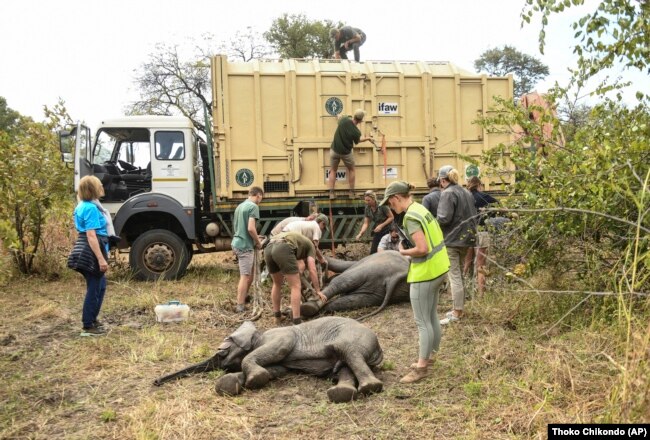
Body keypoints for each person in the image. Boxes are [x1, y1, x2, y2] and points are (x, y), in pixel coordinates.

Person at [379, 181, 450, 383]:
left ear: (396, 198)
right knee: (431, 315)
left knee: (422, 321)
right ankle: (430, 357)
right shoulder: (420, 209)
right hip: (439, 267)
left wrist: (402, 251)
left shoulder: (410, 217)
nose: (392, 208)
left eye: (391, 204)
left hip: (425, 272)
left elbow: (422, 248)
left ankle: (421, 367)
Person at [67, 176, 111, 336]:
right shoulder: (91, 208)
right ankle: (88, 325)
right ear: (93, 189)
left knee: (100, 286)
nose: (102, 188)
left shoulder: (82, 206)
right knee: (94, 289)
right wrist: (100, 259)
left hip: (86, 249)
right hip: (91, 251)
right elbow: (91, 235)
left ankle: (92, 320)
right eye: (99, 185)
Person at [436, 166, 477, 325]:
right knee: (459, 273)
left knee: (454, 275)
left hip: (452, 240)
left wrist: (434, 221)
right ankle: (458, 308)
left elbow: (444, 218)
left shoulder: (447, 193)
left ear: (442, 180)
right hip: (467, 239)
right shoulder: (466, 192)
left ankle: (457, 312)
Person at [265, 232, 328, 326]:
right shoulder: (311, 247)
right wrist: (318, 290)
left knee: (277, 284)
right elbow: (312, 269)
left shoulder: (300, 242)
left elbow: (299, 265)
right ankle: (297, 321)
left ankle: (277, 317)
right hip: (283, 247)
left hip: (269, 247)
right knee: (295, 286)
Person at [463, 176, 499, 295]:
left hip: (467, 232)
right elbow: (500, 207)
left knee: (466, 263)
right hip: (481, 231)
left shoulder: (464, 197)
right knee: (481, 265)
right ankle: (481, 294)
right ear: (479, 185)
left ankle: (462, 291)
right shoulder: (484, 197)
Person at [327, 109, 374, 199]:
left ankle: (331, 193)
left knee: (333, 170)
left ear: (354, 116)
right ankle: (351, 193)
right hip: (346, 153)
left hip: (334, 151)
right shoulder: (356, 132)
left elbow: (339, 117)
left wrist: (338, 116)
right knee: (352, 170)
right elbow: (358, 140)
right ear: (361, 121)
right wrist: (368, 138)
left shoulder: (344, 120)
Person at [231, 186, 264, 313]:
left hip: (237, 242)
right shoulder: (253, 207)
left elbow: (241, 227)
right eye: (261, 198)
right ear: (258, 195)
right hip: (245, 246)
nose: (260, 200)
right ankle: (240, 305)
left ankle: (244, 297)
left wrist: (255, 237)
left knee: (248, 273)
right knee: (245, 276)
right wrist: (257, 241)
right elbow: (251, 228)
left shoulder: (240, 206)